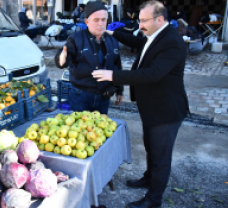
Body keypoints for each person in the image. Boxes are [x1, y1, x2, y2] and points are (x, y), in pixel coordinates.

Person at [92, 1, 189, 207]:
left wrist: (113, 75)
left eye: (144, 21)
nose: (140, 25)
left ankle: (153, 200)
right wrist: (112, 34)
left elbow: (152, 74)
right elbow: (137, 44)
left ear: (160, 19)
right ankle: (149, 179)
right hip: (152, 107)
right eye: (139, 20)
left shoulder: (172, 42)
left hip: (166, 110)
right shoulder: (154, 36)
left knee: (161, 157)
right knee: (151, 149)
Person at [55, 1, 124, 115]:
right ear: (87, 21)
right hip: (80, 96)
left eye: (103, 19)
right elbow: (64, 56)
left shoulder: (113, 41)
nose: (101, 23)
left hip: (104, 96)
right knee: (79, 130)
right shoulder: (75, 39)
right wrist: (61, 59)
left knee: (98, 131)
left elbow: (117, 66)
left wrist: (119, 90)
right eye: (96, 20)